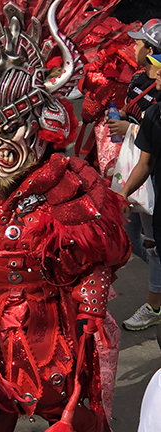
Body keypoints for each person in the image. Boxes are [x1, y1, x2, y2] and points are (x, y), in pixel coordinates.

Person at [0, 0, 131, 430]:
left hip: (46, 325)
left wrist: (90, 304)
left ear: (41, 127)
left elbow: (99, 256)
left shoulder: (65, 187)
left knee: (62, 403)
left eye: (8, 128)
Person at [107, 20, 161, 331]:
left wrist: (132, 130)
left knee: (152, 243)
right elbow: (135, 115)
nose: (134, 47)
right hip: (134, 171)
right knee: (131, 235)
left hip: (148, 177)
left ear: (153, 54)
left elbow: (150, 153)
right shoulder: (138, 80)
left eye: (140, 44)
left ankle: (154, 305)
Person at [119, 52, 161, 332]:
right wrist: (122, 195)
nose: (155, 73)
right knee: (151, 246)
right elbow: (145, 163)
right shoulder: (155, 114)